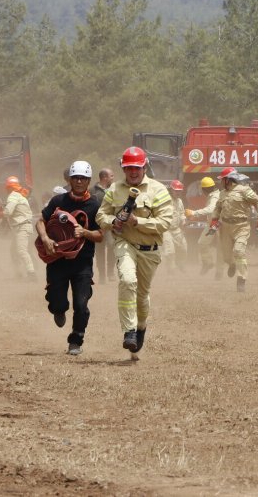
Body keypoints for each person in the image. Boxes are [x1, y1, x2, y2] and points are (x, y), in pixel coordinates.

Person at [95, 146, 173, 357]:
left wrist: (137, 221)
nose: (133, 172)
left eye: (137, 168)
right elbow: (100, 216)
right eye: (128, 168)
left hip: (150, 249)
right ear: (123, 168)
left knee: (142, 295)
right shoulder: (114, 190)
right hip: (124, 243)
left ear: (145, 166)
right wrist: (113, 222)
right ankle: (129, 331)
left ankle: (140, 328)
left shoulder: (158, 190)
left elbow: (165, 222)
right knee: (128, 281)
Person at [36, 161, 102, 356]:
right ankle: (58, 308)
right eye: (75, 178)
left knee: (81, 304)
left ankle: (76, 339)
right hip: (57, 260)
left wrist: (85, 233)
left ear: (89, 180)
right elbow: (41, 221)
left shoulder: (96, 204)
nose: (79, 181)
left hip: (82, 263)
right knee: (57, 302)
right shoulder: (58, 201)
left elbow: (100, 235)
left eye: (83, 178)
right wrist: (45, 238)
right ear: (70, 180)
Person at [211, 167, 258, 292]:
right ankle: (232, 264)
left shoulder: (244, 190)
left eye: (223, 179)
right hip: (225, 227)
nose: (221, 182)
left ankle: (241, 279)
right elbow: (218, 208)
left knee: (238, 251)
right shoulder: (222, 193)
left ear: (229, 180)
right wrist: (214, 219)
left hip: (241, 226)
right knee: (226, 256)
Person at [0, 176, 36, 281]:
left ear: (9, 187)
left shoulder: (13, 196)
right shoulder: (20, 195)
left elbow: (8, 212)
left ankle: (31, 273)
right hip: (22, 227)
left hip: (22, 227)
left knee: (21, 250)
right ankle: (18, 273)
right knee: (14, 251)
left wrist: (2, 213)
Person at [185, 176, 222, 278]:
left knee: (220, 249)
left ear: (204, 189)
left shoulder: (215, 197)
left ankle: (219, 272)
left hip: (218, 224)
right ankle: (208, 263)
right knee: (202, 243)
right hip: (212, 224)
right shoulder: (212, 195)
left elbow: (211, 209)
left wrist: (194, 212)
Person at [90, 167, 116, 283]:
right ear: (104, 177)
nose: (113, 178)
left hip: (111, 224)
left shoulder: (114, 189)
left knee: (112, 246)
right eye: (111, 176)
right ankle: (102, 275)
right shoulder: (92, 191)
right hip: (97, 225)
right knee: (99, 251)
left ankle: (110, 272)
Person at [162, 180, 188, 271]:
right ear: (171, 190)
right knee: (170, 251)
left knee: (184, 247)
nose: (178, 192)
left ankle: (180, 263)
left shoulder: (180, 201)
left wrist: (183, 221)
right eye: (176, 190)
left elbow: (181, 213)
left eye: (179, 191)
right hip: (166, 229)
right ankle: (170, 268)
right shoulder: (166, 200)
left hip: (176, 229)